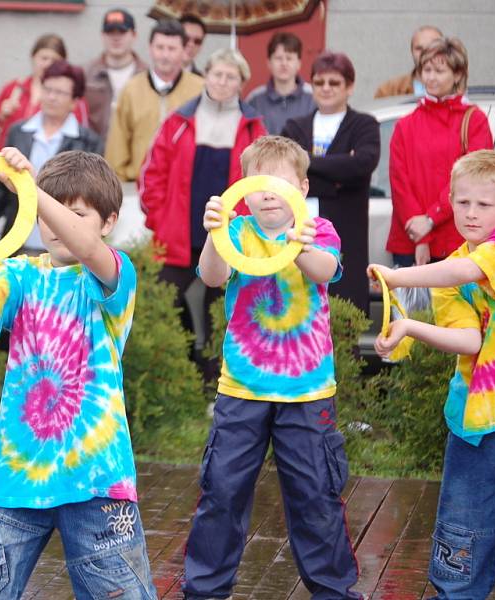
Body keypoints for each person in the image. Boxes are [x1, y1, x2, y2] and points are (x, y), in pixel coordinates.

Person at [0, 148, 156, 600]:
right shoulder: (19, 273)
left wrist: (31, 189)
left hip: (96, 479)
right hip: (14, 474)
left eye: (75, 213)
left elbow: (88, 248)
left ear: (108, 221)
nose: (54, 224)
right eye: (44, 213)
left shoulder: (114, 274)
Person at [183, 135, 359, 600]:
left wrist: (296, 246)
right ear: (244, 189)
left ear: (301, 188)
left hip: (307, 393)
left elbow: (324, 270)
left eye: (279, 185)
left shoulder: (317, 230)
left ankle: (333, 591)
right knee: (221, 493)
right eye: (257, 185)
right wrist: (213, 234)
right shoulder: (237, 233)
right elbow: (213, 276)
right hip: (242, 389)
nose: (267, 195)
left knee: (315, 498)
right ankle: (204, 590)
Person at [369, 149, 495, 600]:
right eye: (462, 202)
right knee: (463, 530)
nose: (471, 213)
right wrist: (407, 325)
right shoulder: (451, 270)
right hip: (476, 419)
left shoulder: (490, 254)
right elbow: (469, 341)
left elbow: (468, 268)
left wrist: (400, 276)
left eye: (485, 205)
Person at [139, 48, 265, 376]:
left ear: (242, 83)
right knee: (163, 302)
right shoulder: (179, 121)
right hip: (177, 231)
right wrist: (157, 217)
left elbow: (260, 180)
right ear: (206, 75)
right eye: (217, 74)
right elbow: (152, 172)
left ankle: (214, 382)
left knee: (220, 311)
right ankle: (168, 375)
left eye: (231, 76)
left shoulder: (253, 128)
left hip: (229, 233)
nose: (223, 81)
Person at [282, 51, 380, 315]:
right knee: (297, 312)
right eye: (319, 82)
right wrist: (337, 175)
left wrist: (308, 164)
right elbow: (283, 169)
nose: (326, 88)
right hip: (298, 231)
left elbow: (362, 165)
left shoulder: (364, 125)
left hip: (346, 233)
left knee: (344, 320)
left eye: (334, 82)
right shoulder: (294, 126)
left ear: (349, 86)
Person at [386, 37, 493, 268]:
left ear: (457, 75)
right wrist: (421, 234)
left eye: (440, 70)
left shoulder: (474, 120)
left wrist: (431, 219)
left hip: (457, 237)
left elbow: (469, 181)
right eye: (426, 69)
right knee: (408, 305)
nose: (431, 77)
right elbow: (399, 184)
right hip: (410, 239)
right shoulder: (405, 124)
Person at [0, 60, 102, 251]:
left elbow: (88, 199)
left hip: (64, 246)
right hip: (18, 241)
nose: (51, 97)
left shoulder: (88, 142)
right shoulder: (19, 131)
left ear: (74, 102)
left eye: (60, 93)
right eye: (47, 89)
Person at [106, 19, 204, 182]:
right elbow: (117, 148)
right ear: (150, 48)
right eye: (160, 48)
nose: (165, 55)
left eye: (172, 49)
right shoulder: (132, 89)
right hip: (139, 189)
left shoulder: (200, 89)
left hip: (187, 187)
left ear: (183, 51)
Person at [0, 34, 88, 151]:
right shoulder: (14, 88)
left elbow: (82, 137)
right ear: (33, 57)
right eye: (44, 58)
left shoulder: (71, 97)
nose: (47, 64)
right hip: (8, 163)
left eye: (54, 60)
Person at [84, 8, 148, 140]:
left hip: (133, 154)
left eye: (122, 32)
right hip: (94, 154)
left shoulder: (147, 75)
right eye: (110, 32)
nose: (116, 38)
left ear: (134, 35)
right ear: (102, 35)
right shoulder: (87, 74)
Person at [246, 31, 315, 134]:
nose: (284, 63)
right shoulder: (255, 99)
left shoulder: (313, 97)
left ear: (299, 64)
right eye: (278, 58)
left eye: (289, 58)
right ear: (269, 63)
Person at [374, 25, 443, 98]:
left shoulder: (455, 90)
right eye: (419, 48)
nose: (425, 53)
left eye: (432, 47)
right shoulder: (388, 91)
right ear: (412, 51)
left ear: (444, 51)